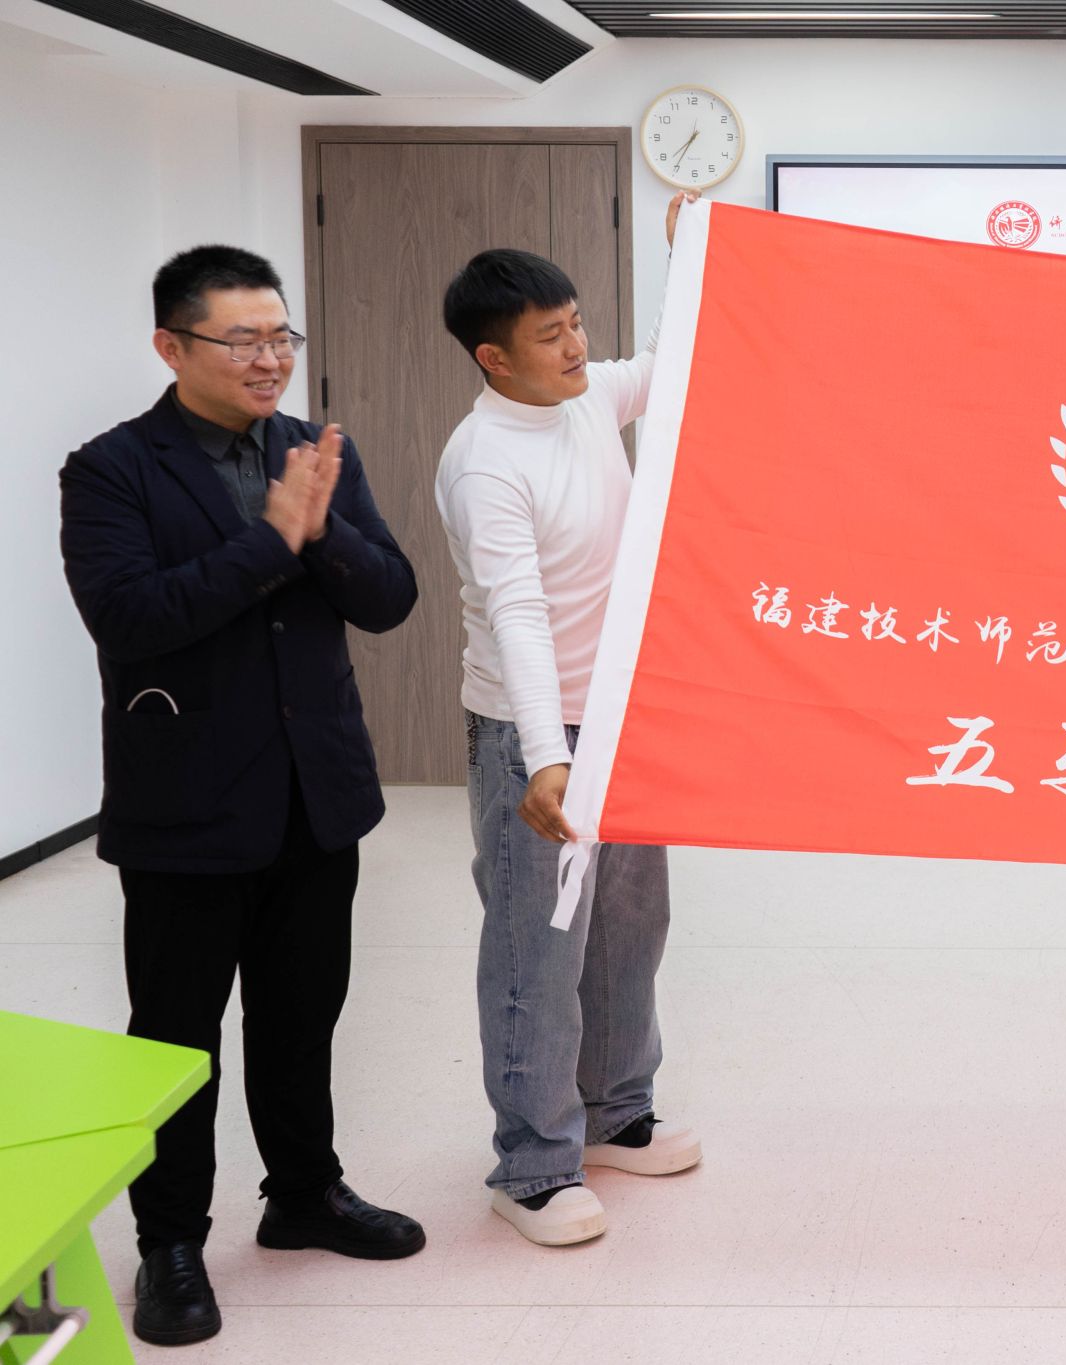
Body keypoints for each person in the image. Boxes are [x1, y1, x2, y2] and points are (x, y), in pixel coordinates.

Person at [58, 245, 423, 1346]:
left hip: (317, 792)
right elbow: (131, 618)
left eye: (281, 336)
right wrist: (274, 538)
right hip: (187, 802)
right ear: (172, 347)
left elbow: (390, 597)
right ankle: (169, 1241)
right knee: (177, 1037)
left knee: (303, 1013)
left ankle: (303, 1194)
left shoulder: (314, 451)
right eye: (243, 340)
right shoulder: (111, 469)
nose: (270, 360)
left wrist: (322, 526)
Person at [435, 190, 700, 1247]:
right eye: (551, 335)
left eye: (578, 323)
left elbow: (673, 365)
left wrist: (688, 251)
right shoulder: (484, 460)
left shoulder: (586, 399)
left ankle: (615, 1113)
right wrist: (547, 758)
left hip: (622, 714)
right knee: (536, 952)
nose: (578, 346)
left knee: (629, 928)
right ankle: (533, 1167)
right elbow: (520, 619)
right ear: (494, 358)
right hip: (530, 737)